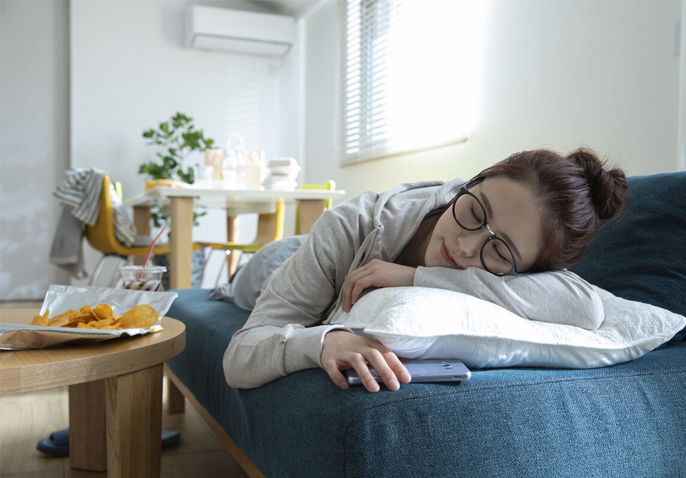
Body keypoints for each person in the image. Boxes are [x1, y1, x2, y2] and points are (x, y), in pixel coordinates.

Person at [222, 148, 628, 393]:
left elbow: (585, 309)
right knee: (247, 277)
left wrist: (416, 277)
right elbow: (241, 355)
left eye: (499, 250)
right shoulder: (352, 223)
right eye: (473, 211)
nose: (464, 246)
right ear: (471, 182)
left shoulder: (513, 264)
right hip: (276, 262)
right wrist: (324, 341)